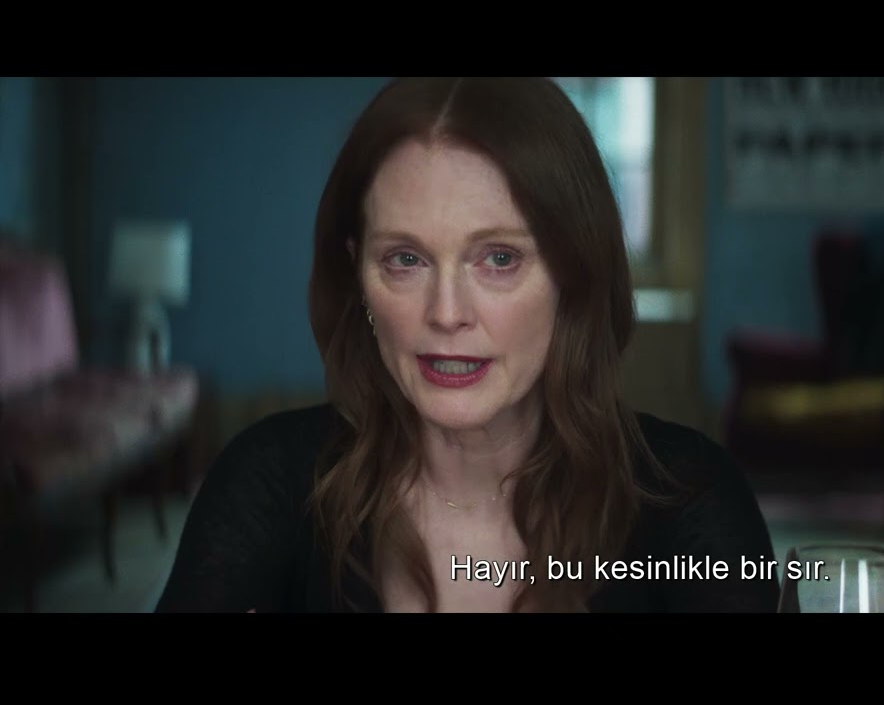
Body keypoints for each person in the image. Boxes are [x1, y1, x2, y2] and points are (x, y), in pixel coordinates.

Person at [154, 77, 781, 613]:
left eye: (499, 258)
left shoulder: (692, 502)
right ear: (359, 278)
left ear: (573, 277)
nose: (447, 314)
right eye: (405, 259)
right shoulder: (266, 483)